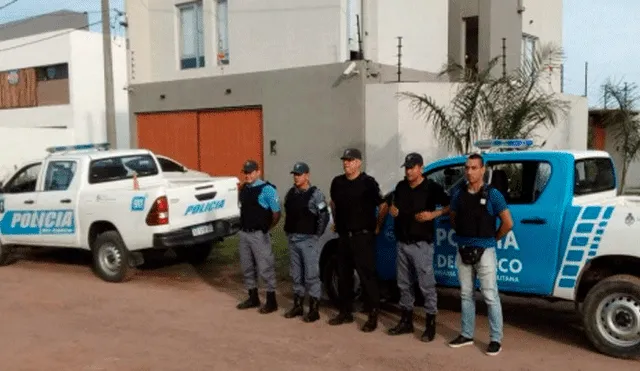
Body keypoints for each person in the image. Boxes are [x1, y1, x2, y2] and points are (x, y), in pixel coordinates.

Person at [448, 153, 513, 356]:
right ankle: (467, 335)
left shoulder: (493, 195)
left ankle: (496, 339)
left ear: (483, 170)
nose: (469, 171)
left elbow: (508, 223)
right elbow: (453, 218)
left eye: (474, 167)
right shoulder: (459, 194)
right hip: (463, 249)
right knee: (466, 294)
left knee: (490, 296)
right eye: (467, 168)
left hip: (485, 250)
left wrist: (492, 239)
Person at [381, 152, 450, 342]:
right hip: (402, 242)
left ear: (421, 168)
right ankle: (406, 321)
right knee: (404, 284)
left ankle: (430, 324)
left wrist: (434, 214)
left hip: (422, 244)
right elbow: (392, 202)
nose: (409, 171)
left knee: (426, 286)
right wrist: (393, 210)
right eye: (406, 168)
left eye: (412, 168)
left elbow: (450, 205)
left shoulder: (432, 187)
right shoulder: (401, 186)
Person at [328, 148, 386, 332]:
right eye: (345, 160)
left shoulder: (367, 183)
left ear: (359, 163)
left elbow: (383, 204)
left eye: (351, 160)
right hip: (344, 236)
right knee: (344, 275)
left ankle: (373, 314)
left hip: (362, 236)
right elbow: (333, 203)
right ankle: (345, 311)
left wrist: (377, 226)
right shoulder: (337, 182)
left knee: (367, 276)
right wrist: (337, 222)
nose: (347, 163)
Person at [282, 161, 330, 322]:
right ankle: (297, 305)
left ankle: (314, 309)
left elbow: (324, 215)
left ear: (307, 175)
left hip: (308, 239)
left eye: (299, 174)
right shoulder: (291, 193)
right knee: (296, 274)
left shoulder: (316, 194)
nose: (296, 177)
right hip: (293, 239)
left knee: (311, 275)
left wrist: (317, 235)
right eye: (295, 174)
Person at [235, 159, 282, 314]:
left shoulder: (267, 189)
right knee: (247, 267)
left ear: (257, 172)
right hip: (244, 233)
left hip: (258, 235)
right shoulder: (244, 189)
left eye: (250, 172)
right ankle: (253, 297)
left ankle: (271, 301)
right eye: (245, 172)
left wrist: (266, 228)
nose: (247, 175)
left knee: (265, 267)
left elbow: (276, 213)